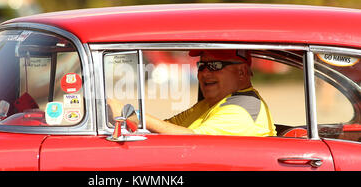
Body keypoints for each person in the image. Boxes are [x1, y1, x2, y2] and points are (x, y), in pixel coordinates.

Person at [108, 49, 277, 137]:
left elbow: (193, 140)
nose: (204, 73)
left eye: (214, 66)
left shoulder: (243, 108)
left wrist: (130, 114)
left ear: (241, 72)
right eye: (201, 66)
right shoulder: (211, 104)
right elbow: (165, 127)